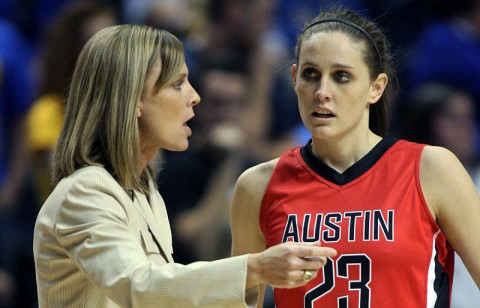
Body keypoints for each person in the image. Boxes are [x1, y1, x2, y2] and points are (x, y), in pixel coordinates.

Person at [32, 24, 337, 307]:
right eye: (177, 84)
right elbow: (138, 287)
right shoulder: (86, 191)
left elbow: (169, 296)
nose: (195, 96)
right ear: (134, 99)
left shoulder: (144, 192)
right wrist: (255, 267)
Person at [230, 7, 480, 307]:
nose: (322, 91)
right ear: (295, 79)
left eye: (341, 76)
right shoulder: (257, 186)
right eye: (310, 74)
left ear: (376, 87)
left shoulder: (431, 168)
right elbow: (242, 301)